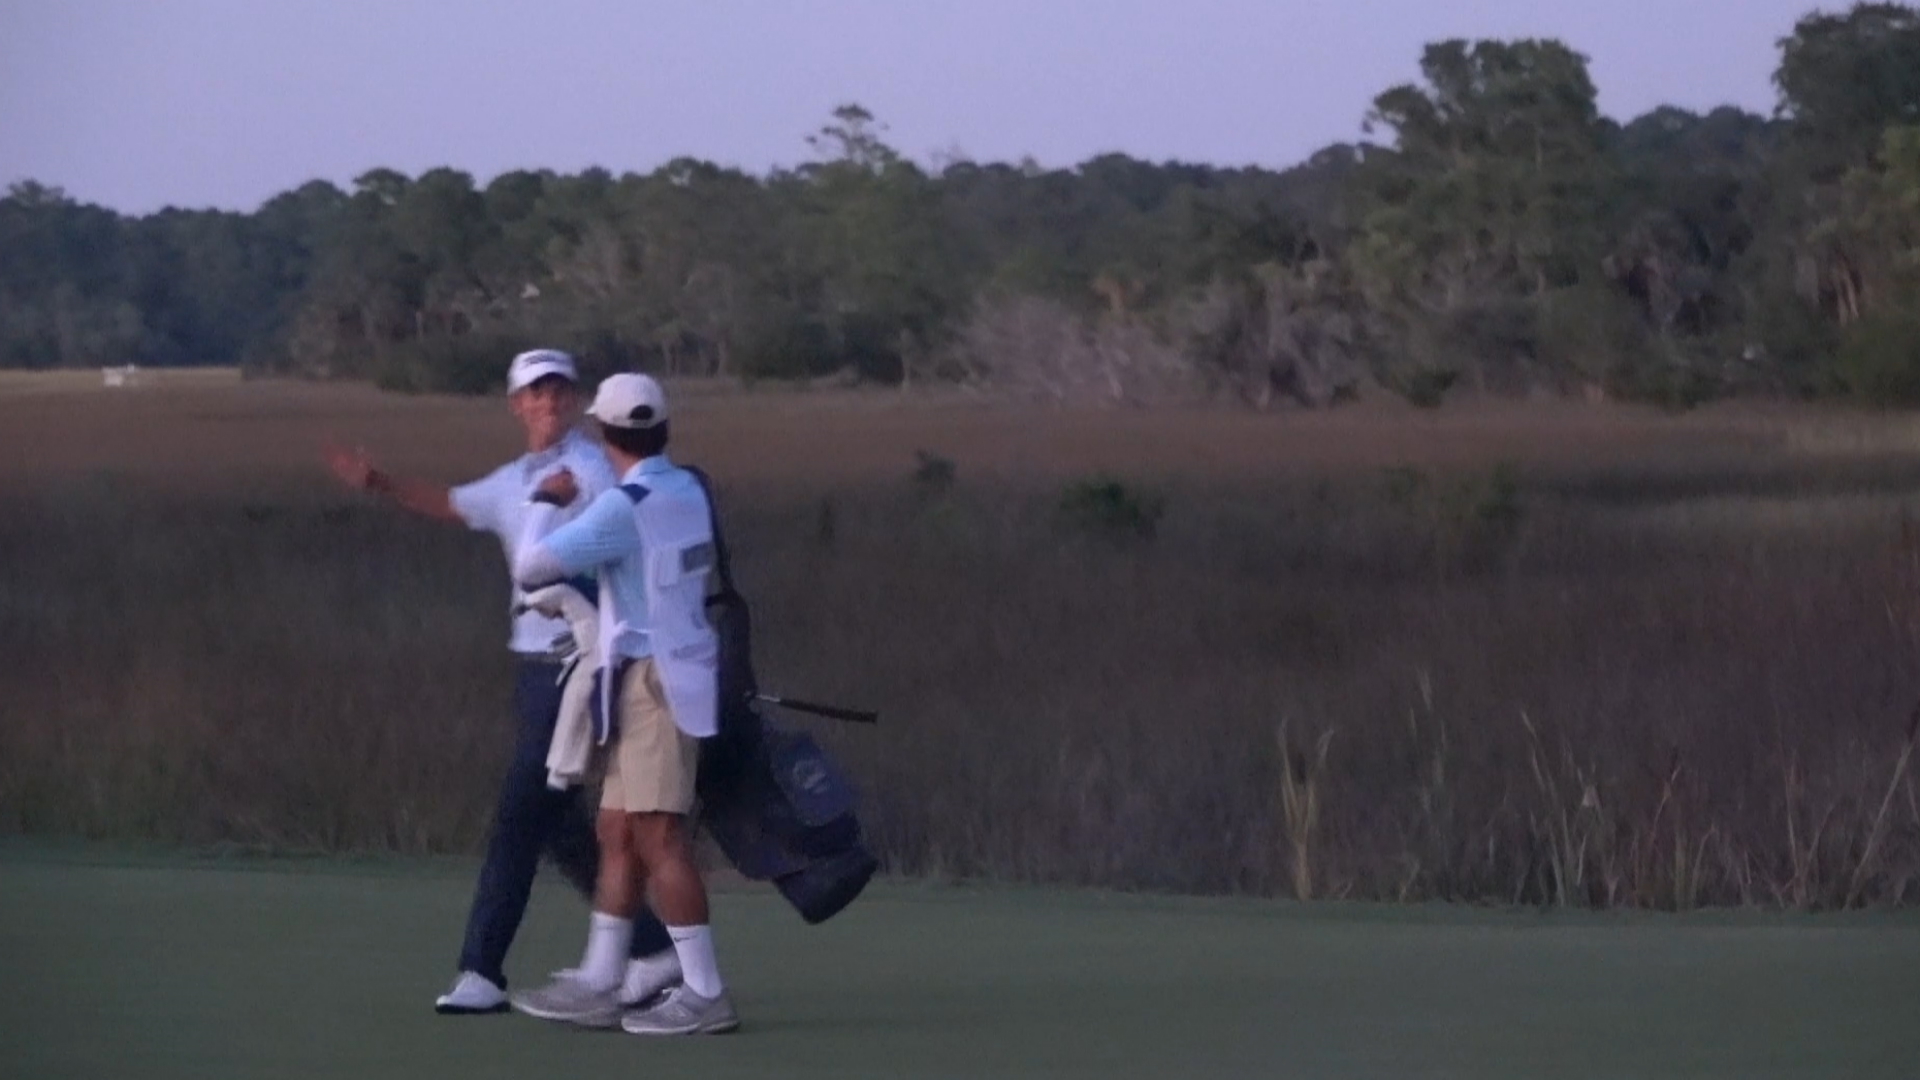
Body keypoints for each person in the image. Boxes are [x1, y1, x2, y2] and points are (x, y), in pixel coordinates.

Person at [322, 349, 683, 1015]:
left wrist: (569, 506)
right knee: (559, 828)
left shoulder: (593, 467)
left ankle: (481, 970)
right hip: (534, 672)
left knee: (520, 817)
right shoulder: (514, 478)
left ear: (572, 401)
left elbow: (618, 522)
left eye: (558, 392)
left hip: (580, 666)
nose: (549, 402)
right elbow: (455, 504)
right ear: (516, 404)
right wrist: (380, 483)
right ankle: (653, 949)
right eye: (536, 393)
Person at [508, 373, 738, 1036]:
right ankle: (603, 976)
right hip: (658, 676)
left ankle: (704, 991)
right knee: (616, 830)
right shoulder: (686, 488)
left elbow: (531, 568)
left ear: (605, 433)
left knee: (658, 835)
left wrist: (546, 500)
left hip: (651, 683)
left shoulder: (623, 507)